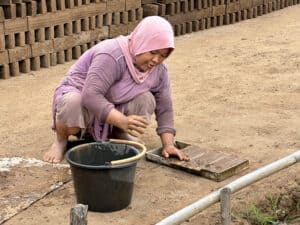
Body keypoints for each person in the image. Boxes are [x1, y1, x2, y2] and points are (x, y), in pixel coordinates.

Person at [43, 16, 190, 163]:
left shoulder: (159, 70)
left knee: (146, 99)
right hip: (84, 100)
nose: (156, 60)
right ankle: (61, 141)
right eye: (152, 52)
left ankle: (117, 133)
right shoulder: (112, 54)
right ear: (141, 43)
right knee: (72, 101)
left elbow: (165, 106)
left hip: (111, 107)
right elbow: (90, 95)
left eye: (163, 55)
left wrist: (168, 144)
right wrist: (122, 120)